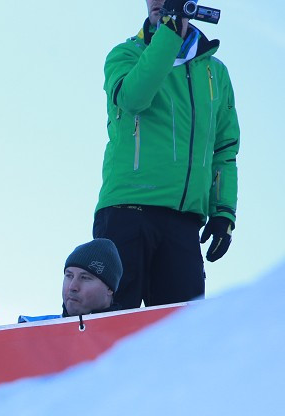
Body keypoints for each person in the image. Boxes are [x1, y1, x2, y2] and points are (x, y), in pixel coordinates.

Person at [93, 0, 239, 310]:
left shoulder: (215, 72)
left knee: (181, 338)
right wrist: (171, 33)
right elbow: (133, 98)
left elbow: (225, 147)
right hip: (127, 211)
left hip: (183, 221)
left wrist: (223, 211)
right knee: (112, 330)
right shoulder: (127, 54)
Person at [19, 238, 124, 322]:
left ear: (110, 288)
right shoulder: (29, 331)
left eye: (85, 278)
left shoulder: (133, 340)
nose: (72, 287)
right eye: (69, 276)